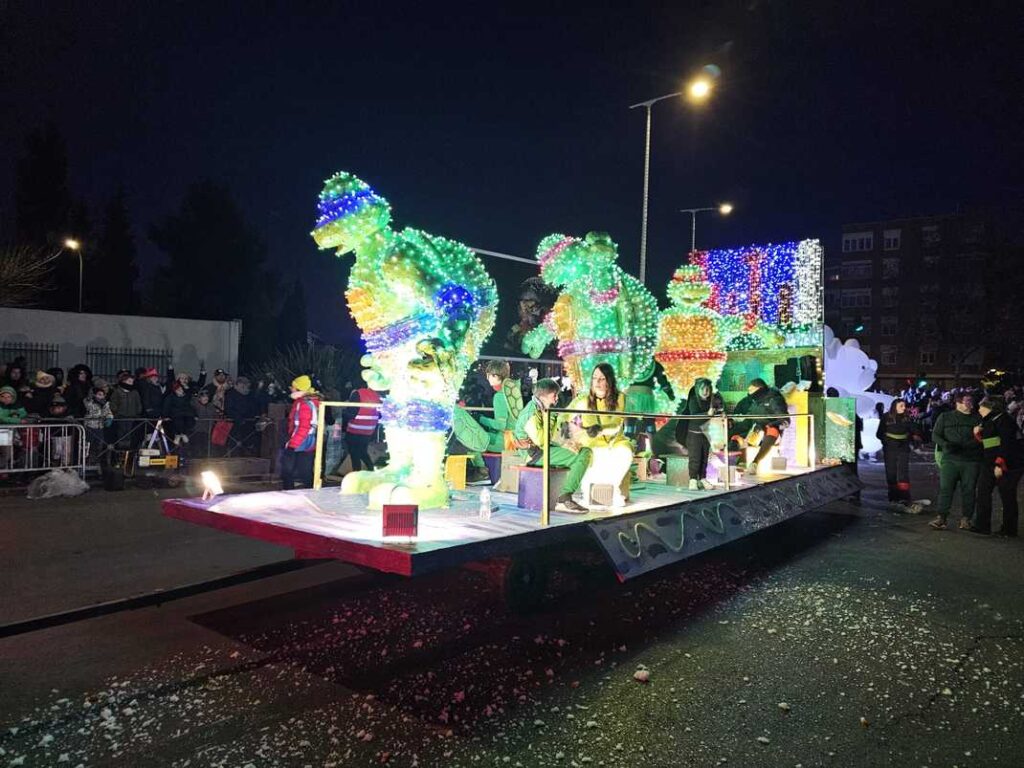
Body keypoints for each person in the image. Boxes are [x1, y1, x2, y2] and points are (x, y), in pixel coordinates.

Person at [513, 377, 592, 513]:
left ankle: (565, 495)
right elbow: (542, 440)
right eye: (554, 395)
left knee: (581, 450)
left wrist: (566, 443)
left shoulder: (540, 408)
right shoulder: (531, 413)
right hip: (534, 455)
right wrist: (552, 418)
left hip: (540, 450)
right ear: (543, 396)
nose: (556, 399)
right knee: (584, 453)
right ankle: (564, 498)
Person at [575, 362, 634, 507]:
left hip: (616, 442)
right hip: (591, 444)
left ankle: (612, 493)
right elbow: (565, 415)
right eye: (595, 378)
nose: (597, 382)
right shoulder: (583, 400)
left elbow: (616, 423)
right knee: (587, 456)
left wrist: (600, 429)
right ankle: (590, 494)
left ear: (609, 381)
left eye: (602, 379)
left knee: (624, 452)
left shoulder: (620, 398)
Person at [929, 392, 983, 530]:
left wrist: (970, 444)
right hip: (950, 460)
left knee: (969, 490)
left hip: (971, 460)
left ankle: (966, 519)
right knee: (945, 489)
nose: (971, 404)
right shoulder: (945, 417)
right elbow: (935, 435)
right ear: (958, 403)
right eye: (967, 401)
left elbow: (982, 438)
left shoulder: (978, 418)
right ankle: (941, 518)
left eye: (971, 401)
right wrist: (945, 445)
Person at [972, 397, 1021, 536]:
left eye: (981, 407)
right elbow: (989, 442)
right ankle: (982, 525)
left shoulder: (1005, 421)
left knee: (1007, 496)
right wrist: (977, 435)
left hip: (1007, 465)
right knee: (983, 492)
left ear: (990, 408)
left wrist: (1000, 463)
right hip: (989, 462)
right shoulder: (989, 420)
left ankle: (1009, 529)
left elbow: (1007, 444)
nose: (979, 409)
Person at [731, 378, 790, 476]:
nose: (749, 392)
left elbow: (785, 419)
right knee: (738, 437)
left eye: (751, 389)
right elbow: (750, 416)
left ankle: (755, 463)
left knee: (771, 431)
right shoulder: (755, 402)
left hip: (773, 431)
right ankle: (742, 463)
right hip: (758, 430)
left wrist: (772, 424)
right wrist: (737, 421)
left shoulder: (774, 399)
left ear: (759, 388)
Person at [676, 377, 724, 491]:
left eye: (707, 389)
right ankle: (692, 480)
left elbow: (719, 410)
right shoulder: (693, 400)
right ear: (697, 389)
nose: (705, 391)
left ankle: (703, 478)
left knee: (704, 457)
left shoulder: (712, 400)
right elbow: (694, 416)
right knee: (695, 458)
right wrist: (707, 414)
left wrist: (719, 412)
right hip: (694, 434)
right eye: (702, 389)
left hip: (706, 434)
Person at [876, 398, 923, 512]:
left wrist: (915, 435)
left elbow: (913, 430)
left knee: (903, 473)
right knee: (891, 472)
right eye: (901, 406)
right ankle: (893, 496)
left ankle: (904, 497)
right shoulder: (886, 417)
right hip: (890, 448)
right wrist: (887, 441)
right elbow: (879, 433)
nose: (904, 408)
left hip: (903, 447)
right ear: (895, 406)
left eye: (904, 405)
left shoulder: (907, 417)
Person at [281, 375, 321, 490]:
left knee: (287, 470)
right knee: (305, 471)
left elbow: (303, 426)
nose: (291, 389)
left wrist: (292, 444)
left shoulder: (303, 403)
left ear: (299, 389)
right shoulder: (312, 402)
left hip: (300, 440)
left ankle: (288, 492)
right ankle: (312, 493)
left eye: (293, 387)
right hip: (309, 441)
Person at [478, 360, 523, 453]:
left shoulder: (500, 396)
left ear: (496, 376)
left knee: (474, 441)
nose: (487, 378)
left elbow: (500, 425)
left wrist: (480, 419)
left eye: (489, 375)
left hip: (506, 441)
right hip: (517, 438)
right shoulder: (513, 389)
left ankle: (479, 463)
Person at [345, 383, 382, 472]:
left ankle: (357, 473)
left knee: (354, 454)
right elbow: (380, 415)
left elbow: (351, 413)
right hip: (369, 430)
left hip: (355, 429)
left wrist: (344, 413)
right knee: (362, 452)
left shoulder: (357, 394)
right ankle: (371, 469)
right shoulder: (377, 396)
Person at [82, 385, 113, 464]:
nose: (101, 396)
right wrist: (90, 396)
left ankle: (96, 461)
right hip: (90, 426)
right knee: (88, 445)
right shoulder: (90, 402)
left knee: (99, 445)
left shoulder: (105, 404)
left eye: (102, 395)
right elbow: (88, 406)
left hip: (100, 427)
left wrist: (109, 418)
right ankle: (86, 461)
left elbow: (108, 412)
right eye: (99, 394)